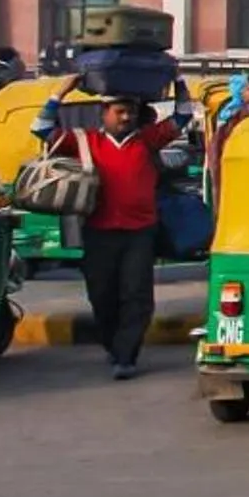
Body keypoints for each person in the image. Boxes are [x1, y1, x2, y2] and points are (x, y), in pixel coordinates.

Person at [48, 92, 187, 379]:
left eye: (131, 113)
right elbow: (40, 129)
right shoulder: (86, 141)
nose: (126, 118)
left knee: (136, 294)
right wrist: (58, 94)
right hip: (99, 231)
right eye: (120, 112)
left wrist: (179, 84)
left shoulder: (147, 140)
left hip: (140, 231)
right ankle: (114, 346)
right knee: (102, 295)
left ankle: (126, 355)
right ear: (104, 113)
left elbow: (183, 116)